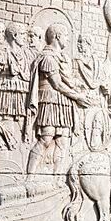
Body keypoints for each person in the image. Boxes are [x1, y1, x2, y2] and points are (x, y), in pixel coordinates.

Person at [25, 23, 86, 176]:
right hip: (50, 100)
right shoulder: (47, 57)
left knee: (63, 141)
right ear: (58, 36)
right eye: (66, 36)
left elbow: (66, 82)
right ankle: (30, 176)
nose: (67, 39)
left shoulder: (63, 58)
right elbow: (57, 84)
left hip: (64, 102)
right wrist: (77, 97)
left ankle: (57, 178)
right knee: (46, 138)